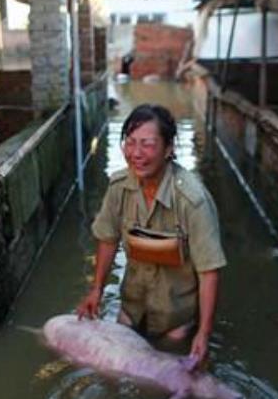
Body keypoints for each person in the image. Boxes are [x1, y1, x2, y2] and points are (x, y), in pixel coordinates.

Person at [76, 104, 226, 366]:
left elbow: (209, 271)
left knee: (172, 375)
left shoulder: (192, 200)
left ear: (169, 149)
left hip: (175, 320)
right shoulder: (119, 187)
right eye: (130, 143)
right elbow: (108, 238)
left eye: (147, 144)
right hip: (132, 309)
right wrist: (97, 290)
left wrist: (204, 332)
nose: (136, 153)